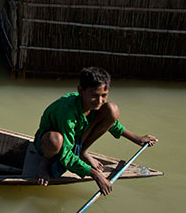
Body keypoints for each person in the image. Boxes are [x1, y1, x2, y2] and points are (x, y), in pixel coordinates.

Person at [35, 66, 158, 195]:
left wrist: (137, 139)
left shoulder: (94, 103)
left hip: (77, 138)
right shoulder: (67, 111)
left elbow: (112, 123)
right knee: (55, 140)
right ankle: (45, 161)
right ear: (80, 91)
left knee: (112, 109)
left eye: (104, 95)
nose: (99, 101)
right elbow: (65, 154)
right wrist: (95, 174)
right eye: (94, 96)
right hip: (49, 143)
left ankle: (82, 151)